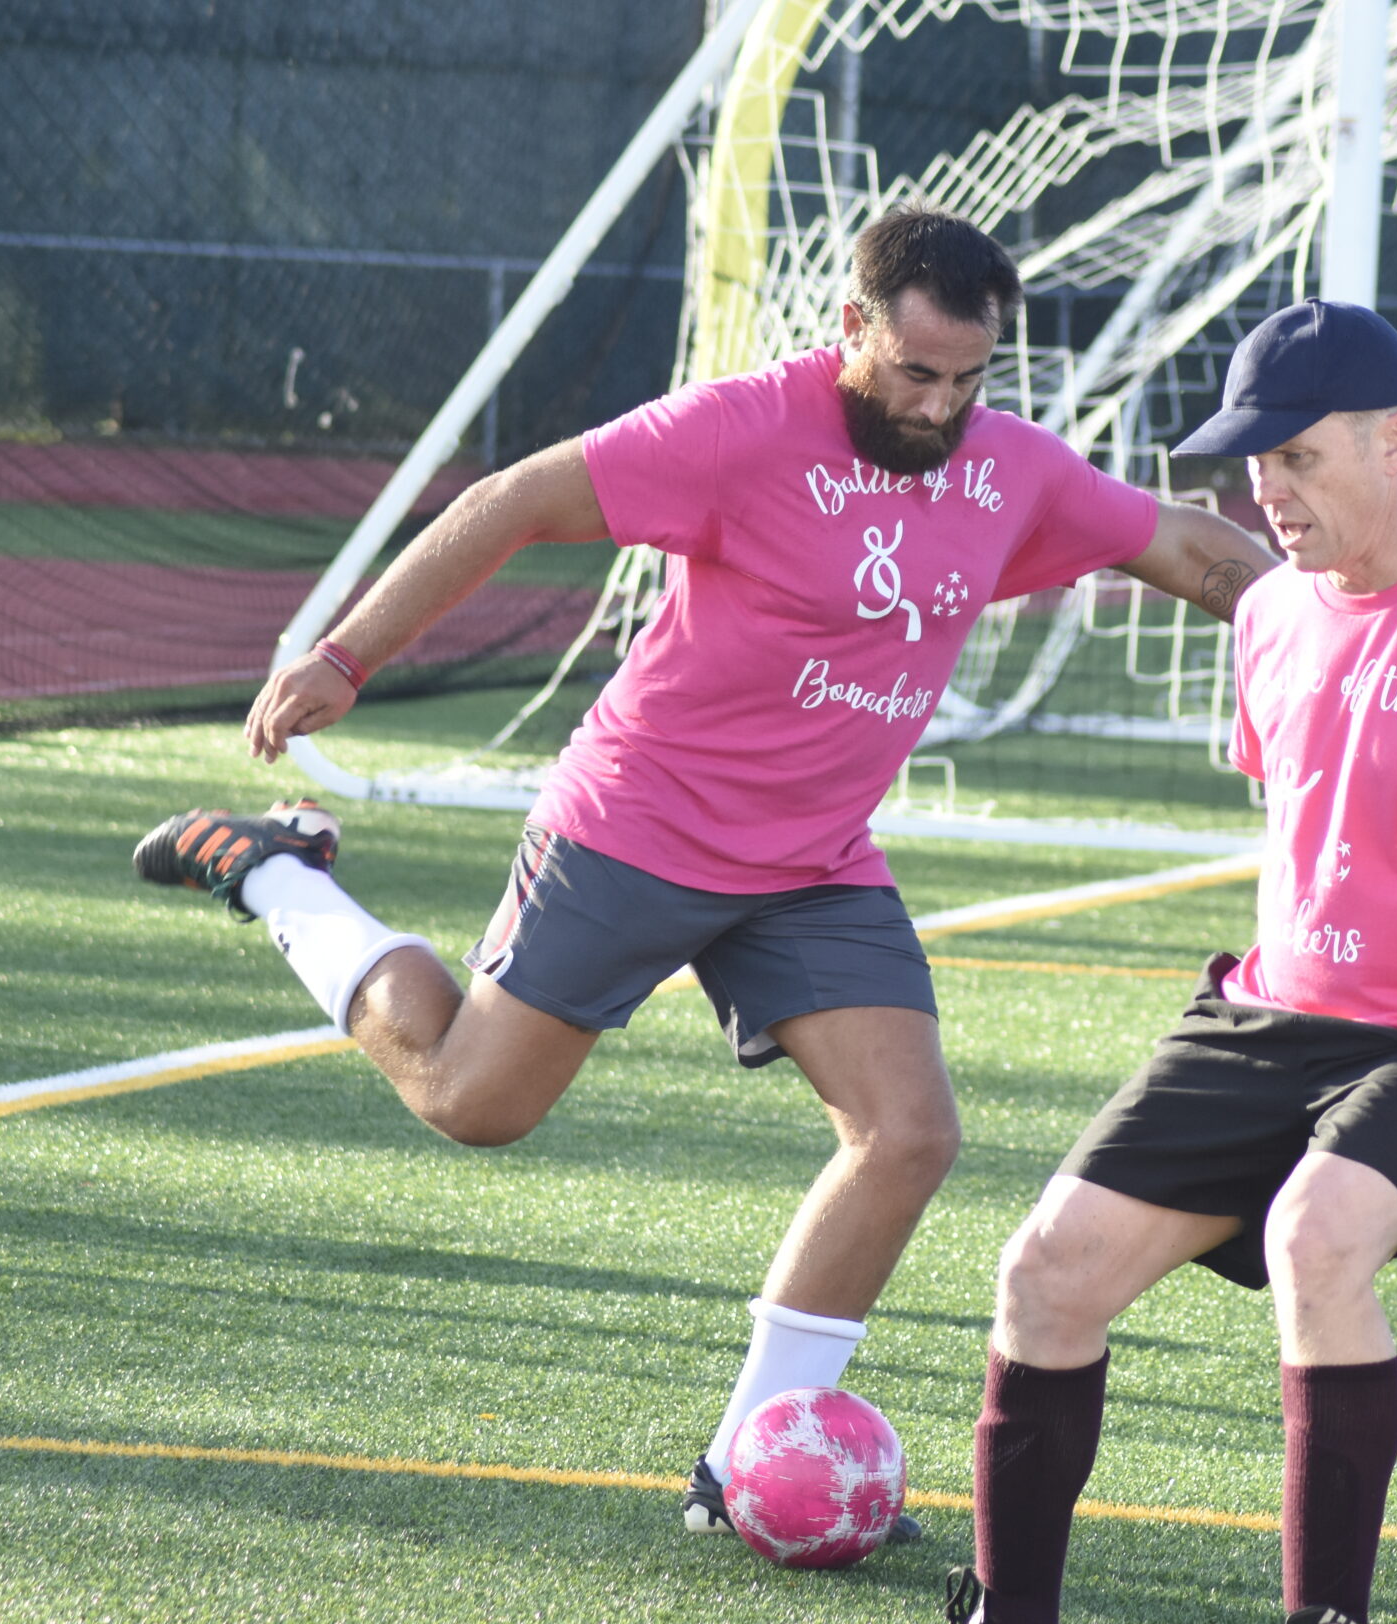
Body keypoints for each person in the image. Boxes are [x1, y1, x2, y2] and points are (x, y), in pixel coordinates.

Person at [129, 205, 1275, 1541]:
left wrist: (1340, 635)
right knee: (468, 1099)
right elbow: (516, 500)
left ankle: (746, 1459)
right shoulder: (737, 429)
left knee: (909, 1133)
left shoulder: (1006, 467)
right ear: (852, 328)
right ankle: (280, 874)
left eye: (970, 378)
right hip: (639, 823)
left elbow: (1192, 548)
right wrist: (346, 654)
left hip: (814, 859)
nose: (943, 404)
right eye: (916, 373)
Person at [835, 301, 1397, 1624]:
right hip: (1271, 1013)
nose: (1267, 491)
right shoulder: (1268, 609)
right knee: (1044, 1271)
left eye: (1302, 456)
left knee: (1313, 1235)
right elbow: (1313, 830)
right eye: (1250, 464)